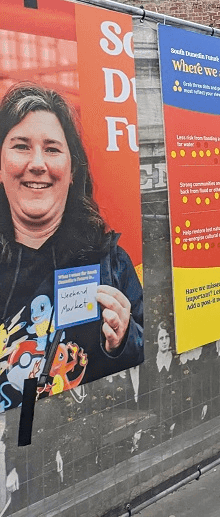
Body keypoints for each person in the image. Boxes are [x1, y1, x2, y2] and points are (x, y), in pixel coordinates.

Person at [0, 83, 143, 411]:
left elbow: (149, 358)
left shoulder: (110, 263)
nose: (38, 163)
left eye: (52, 149)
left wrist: (122, 340)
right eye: (21, 146)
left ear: (72, 169)